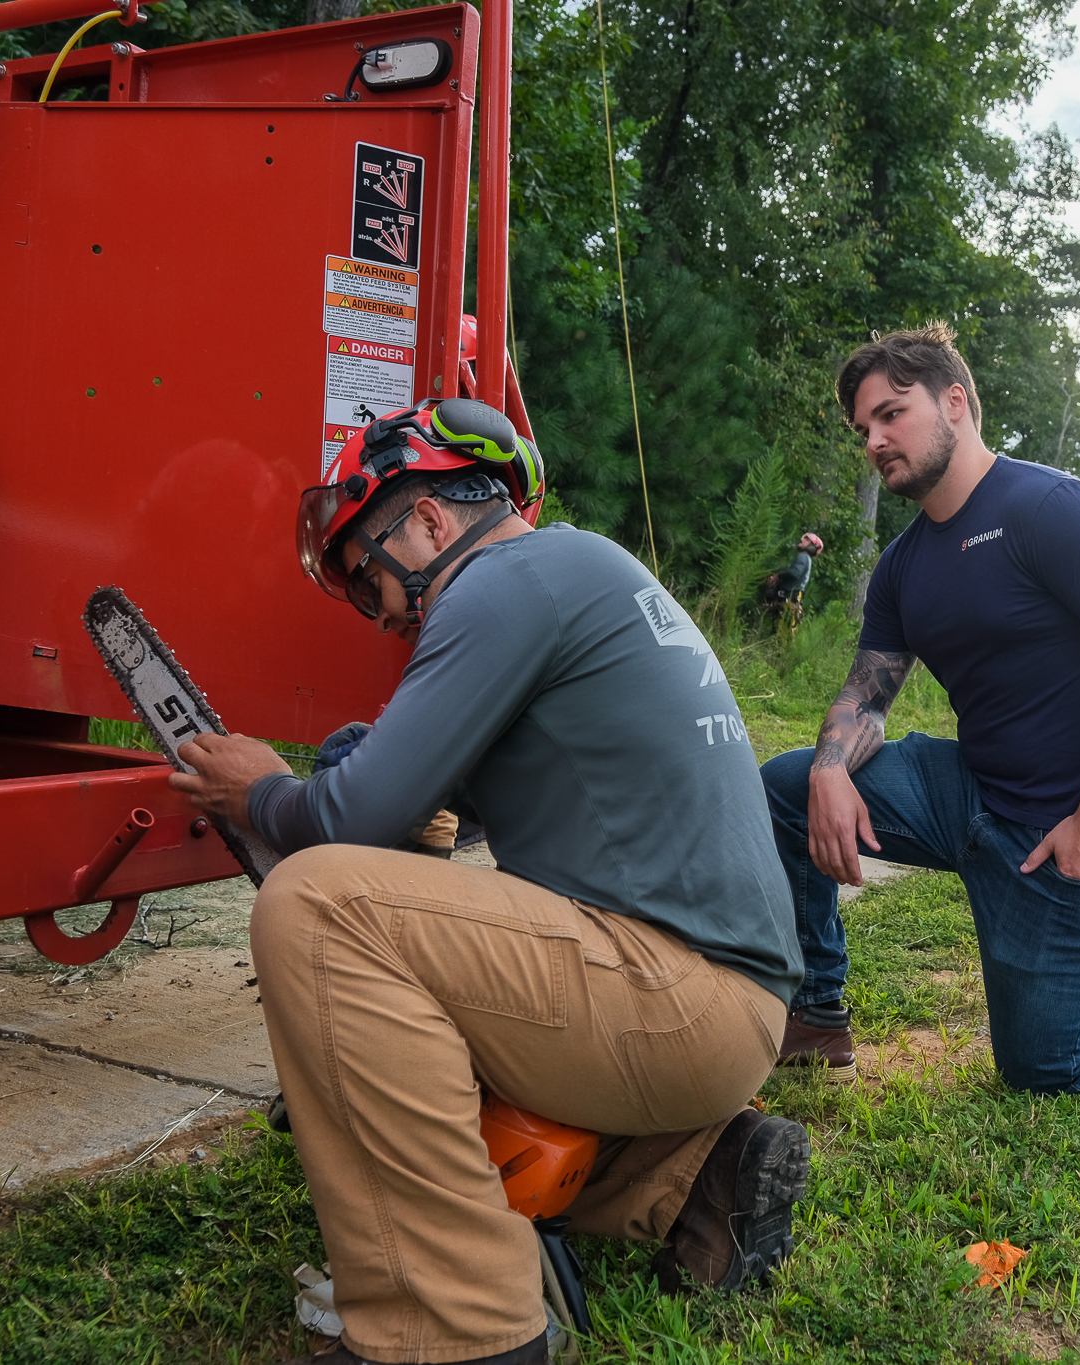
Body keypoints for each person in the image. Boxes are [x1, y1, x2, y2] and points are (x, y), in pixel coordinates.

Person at [171, 398, 809, 1365]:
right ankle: (685, 1176)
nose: (383, 612)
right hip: (720, 1005)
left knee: (319, 907)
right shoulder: (577, 572)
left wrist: (261, 791)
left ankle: (462, 1328)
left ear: (427, 519)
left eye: (372, 581)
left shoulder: (504, 582)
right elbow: (424, 813)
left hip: (676, 994)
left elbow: (345, 824)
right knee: (385, 981)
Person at [760, 324, 1080, 1095]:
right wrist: (830, 768)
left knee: (1046, 1067)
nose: (875, 439)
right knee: (786, 785)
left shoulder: (1049, 508)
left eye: (892, 413)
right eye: (864, 428)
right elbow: (868, 690)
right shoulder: (904, 565)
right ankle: (816, 1011)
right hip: (968, 792)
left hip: (1066, 826)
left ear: (954, 402)